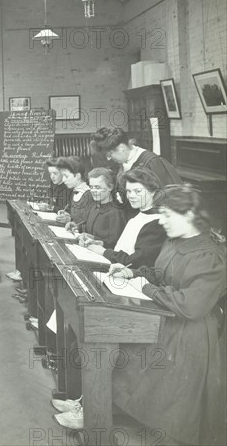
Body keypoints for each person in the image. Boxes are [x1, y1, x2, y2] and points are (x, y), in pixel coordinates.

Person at [107, 185, 226, 445]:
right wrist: (133, 274)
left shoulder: (210, 255)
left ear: (191, 215)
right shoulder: (174, 241)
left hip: (190, 335)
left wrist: (146, 288)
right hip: (165, 318)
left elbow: (192, 306)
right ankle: (102, 413)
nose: (161, 221)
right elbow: (162, 273)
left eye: (167, 215)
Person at [83, 168, 166, 268]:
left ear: (152, 192)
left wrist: (105, 252)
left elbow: (136, 261)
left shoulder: (156, 222)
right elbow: (123, 248)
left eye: (137, 191)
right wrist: (102, 243)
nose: (131, 196)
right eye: (129, 191)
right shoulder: (138, 216)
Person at [90, 127, 182, 187]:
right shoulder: (124, 162)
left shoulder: (151, 162)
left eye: (110, 154)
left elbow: (166, 194)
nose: (108, 159)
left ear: (121, 148)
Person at [68, 167, 126, 248]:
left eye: (97, 187)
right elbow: (87, 226)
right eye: (91, 187)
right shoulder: (94, 205)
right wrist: (76, 226)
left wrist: (94, 239)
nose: (93, 191)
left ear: (110, 187)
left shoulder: (116, 212)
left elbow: (114, 244)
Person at [54, 156, 93, 226]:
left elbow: (90, 223)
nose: (63, 180)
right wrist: (66, 214)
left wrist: (70, 220)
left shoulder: (89, 195)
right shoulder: (74, 191)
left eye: (66, 176)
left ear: (78, 176)